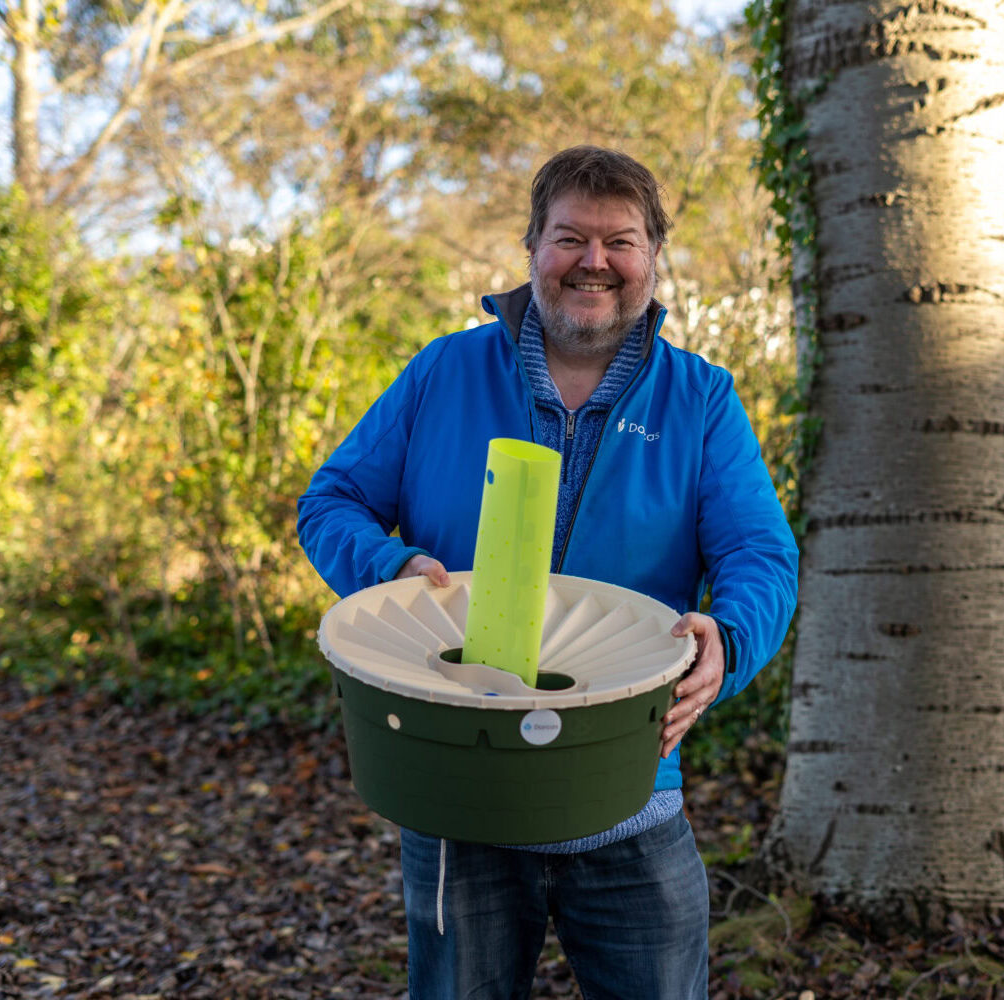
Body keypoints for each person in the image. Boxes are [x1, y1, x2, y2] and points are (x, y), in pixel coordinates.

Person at [297, 146, 798, 999]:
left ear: (652, 259)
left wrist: (732, 635)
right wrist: (390, 567)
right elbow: (332, 499)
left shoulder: (700, 398)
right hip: (461, 784)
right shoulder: (444, 372)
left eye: (621, 242)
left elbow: (761, 554)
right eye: (569, 237)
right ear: (531, 247)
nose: (593, 262)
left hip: (629, 788)